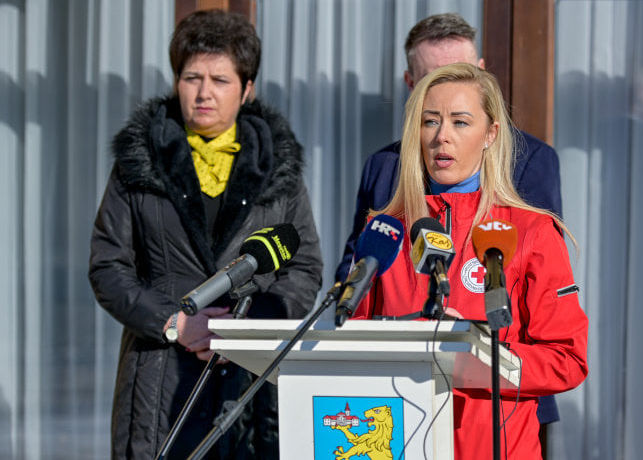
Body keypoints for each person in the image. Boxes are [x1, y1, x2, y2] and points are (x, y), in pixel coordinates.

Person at [88, 10, 322, 459]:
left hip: (247, 379)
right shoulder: (140, 159)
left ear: (247, 88)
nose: (203, 93)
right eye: (192, 77)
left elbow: (304, 267)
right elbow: (107, 266)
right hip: (158, 378)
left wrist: (245, 329)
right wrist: (175, 322)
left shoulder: (277, 165)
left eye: (220, 80)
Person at [335, 11, 564, 431]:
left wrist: (479, 351)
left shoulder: (531, 204)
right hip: (399, 418)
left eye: (460, 119)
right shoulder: (385, 203)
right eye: (431, 117)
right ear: (412, 89)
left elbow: (554, 338)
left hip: (496, 423)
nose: (443, 134)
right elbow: (353, 300)